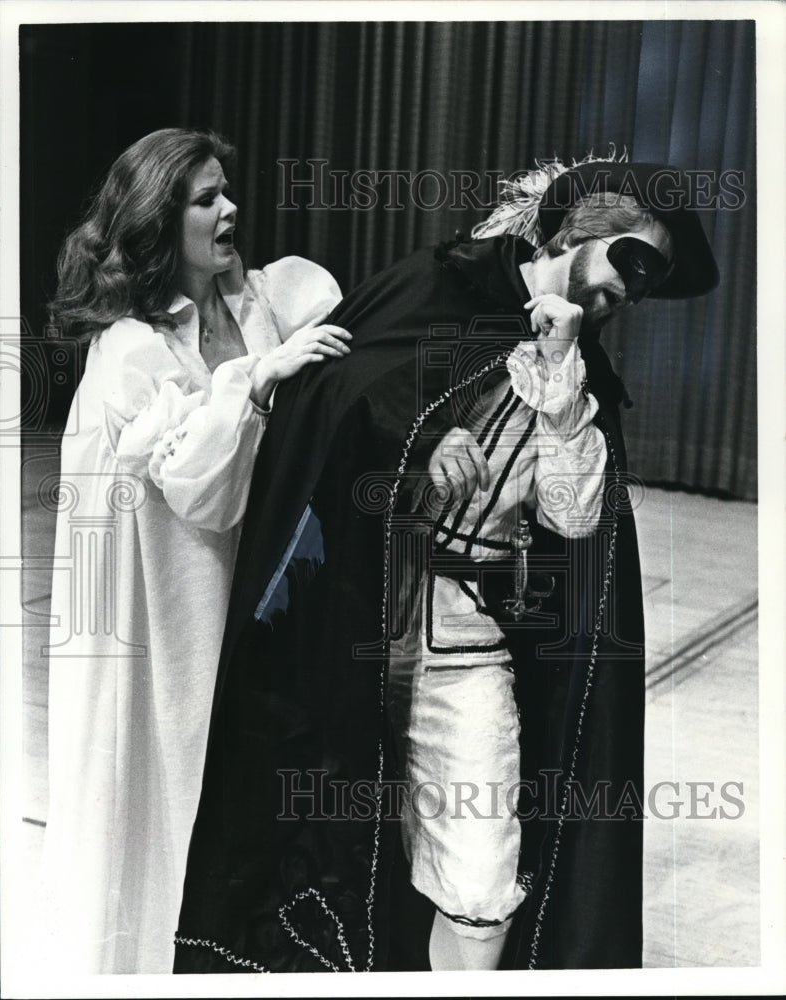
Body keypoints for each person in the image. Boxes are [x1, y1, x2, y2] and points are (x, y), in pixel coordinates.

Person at [173, 156, 719, 973]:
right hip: (347, 615)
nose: (628, 295)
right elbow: (332, 396)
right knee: (316, 841)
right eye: (628, 263)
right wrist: (417, 439)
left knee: (480, 880)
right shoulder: (437, 286)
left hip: (463, 636)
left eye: (649, 283)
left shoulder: (580, 375)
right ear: (573, 231)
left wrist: (563, 388)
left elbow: (574, 517)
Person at [39, 127, 351, 974]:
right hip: (163, 611)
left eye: (227, 191)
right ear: (155, 221)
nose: (231, 209)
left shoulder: (256, 304)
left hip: (242, 596)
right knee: (165, 781)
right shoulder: (134, 349)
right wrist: (255, 381)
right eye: (205, 198)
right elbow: (200, 489)